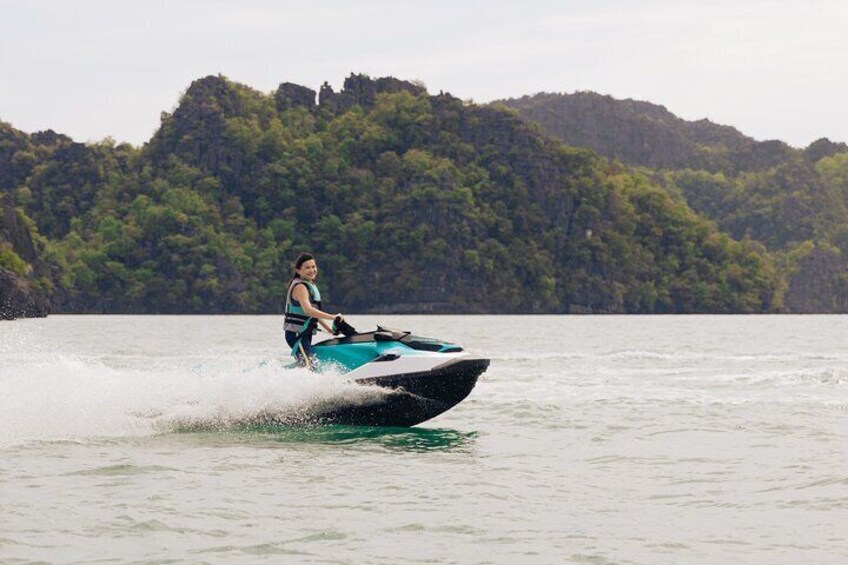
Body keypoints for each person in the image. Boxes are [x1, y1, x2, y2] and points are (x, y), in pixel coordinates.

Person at [284, 252, 344, 368]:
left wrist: (330, 330)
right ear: (298, 270)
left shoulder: (310, 285)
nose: (312, 270)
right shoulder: (300, 287)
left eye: (313, 267)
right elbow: (308, 311)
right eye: (307, 268)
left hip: (305, 334)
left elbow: (313, 315)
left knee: (308, 363)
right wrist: (333, 317)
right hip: (297, 335)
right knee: (308, 365)